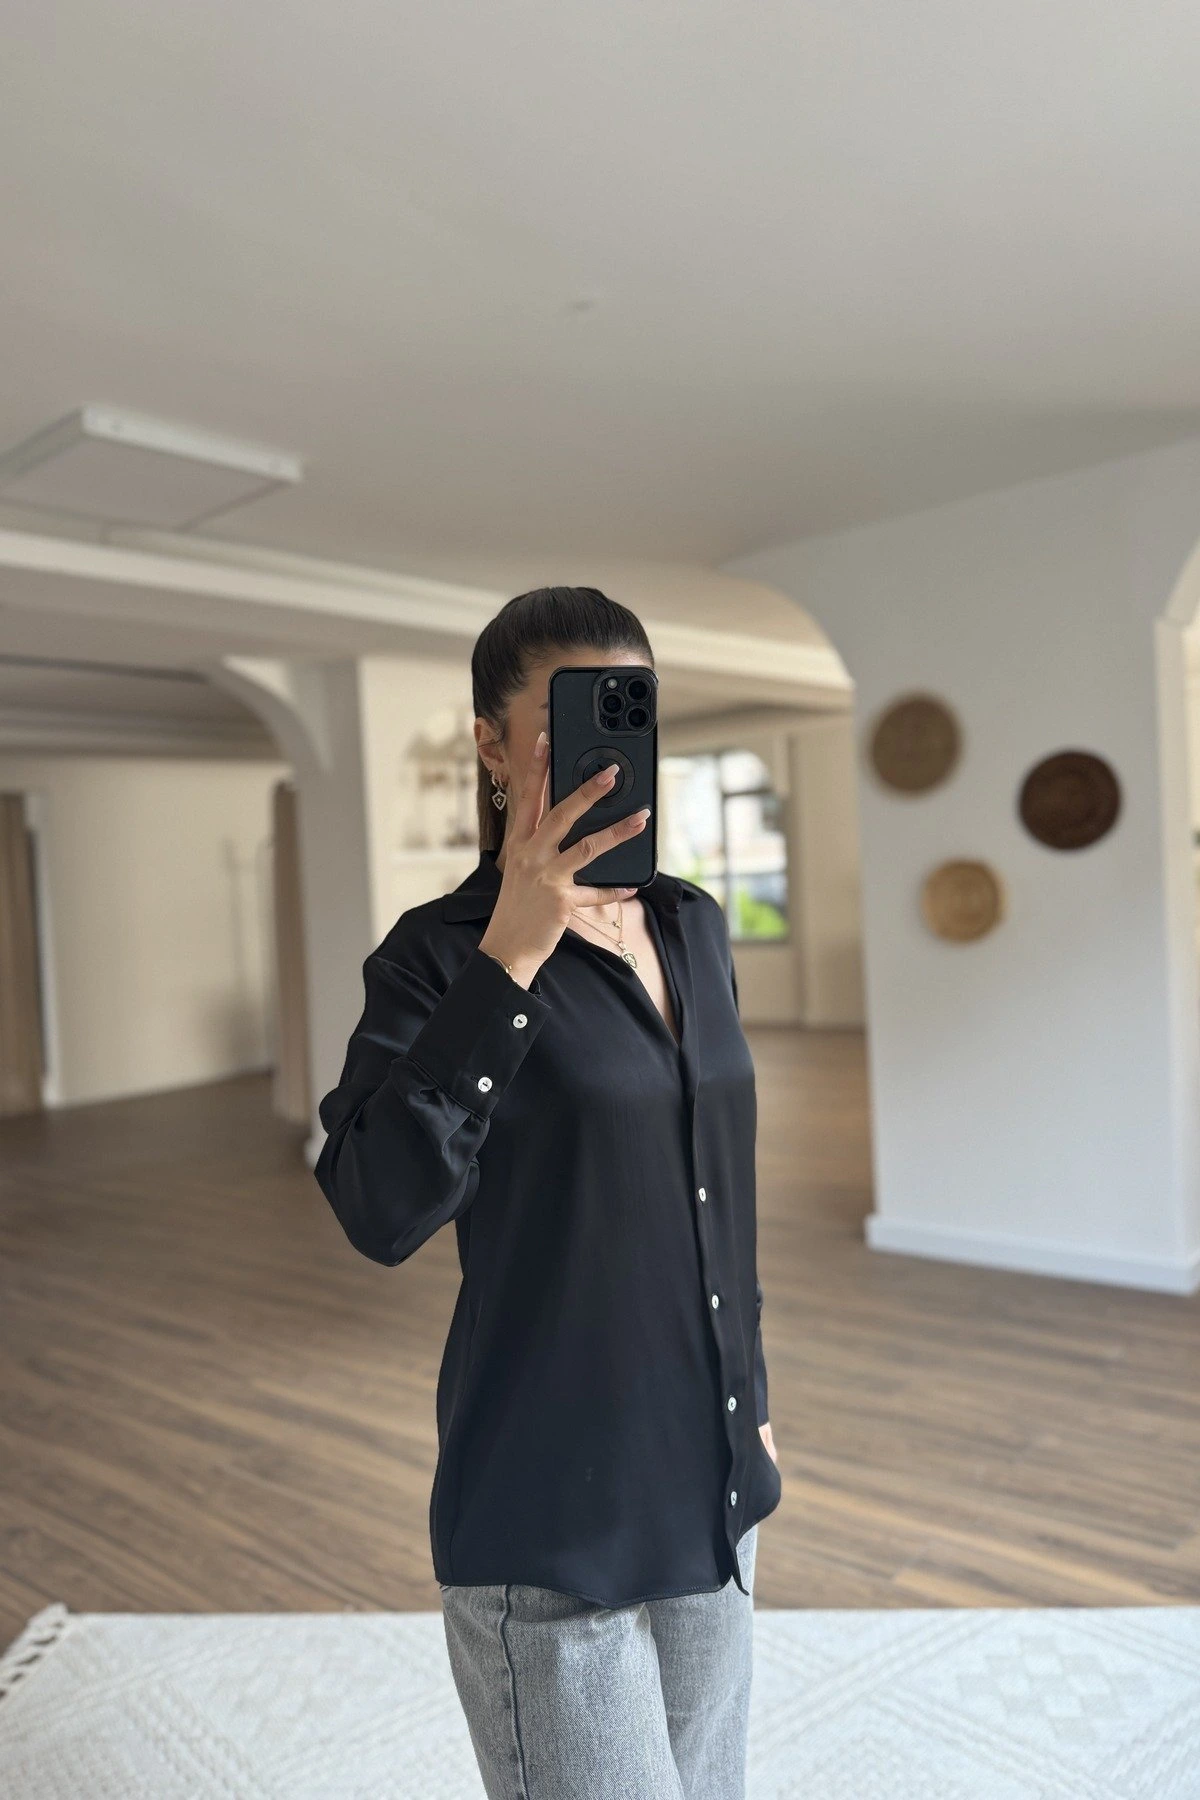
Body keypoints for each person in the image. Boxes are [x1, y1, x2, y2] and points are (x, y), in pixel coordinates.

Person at [314, 586, 782, 1799]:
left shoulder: (693, 925)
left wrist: (751, 1398)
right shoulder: (435, 956)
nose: (612, 754)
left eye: (635, 714)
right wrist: (513, 952)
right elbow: (377, 1207)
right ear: (490, 744)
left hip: (711, 1480)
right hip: (549, 1509)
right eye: (575, 720)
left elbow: (717, 1194)